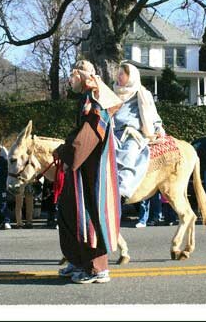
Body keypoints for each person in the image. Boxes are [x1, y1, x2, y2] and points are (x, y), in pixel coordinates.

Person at [53, 60, 122, 284]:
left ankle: (97, 268)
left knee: (90, 215)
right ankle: (77, 259)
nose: (69, 80)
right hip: (80, 169)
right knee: (70, 211)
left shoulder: (95, 102)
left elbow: (87, 137)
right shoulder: (86, 99)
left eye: (72, 75)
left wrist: (66, 154)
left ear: (83, 76)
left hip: (92, 173)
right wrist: (66, 151)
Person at [113, 62, 165, 202]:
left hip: (133, 134)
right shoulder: (113, 93)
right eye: (118, 73)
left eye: (122, 74)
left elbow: (152, 113)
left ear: (131, 77)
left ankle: (122, 190)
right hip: (113, 133)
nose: (118, 76)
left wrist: (158, 127)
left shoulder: (142, 93)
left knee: (128, 154)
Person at [0, 141, 11, 229]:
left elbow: (5, 174)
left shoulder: (3, 161)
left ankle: (6, 221)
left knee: (2, 203)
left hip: (1, 187)